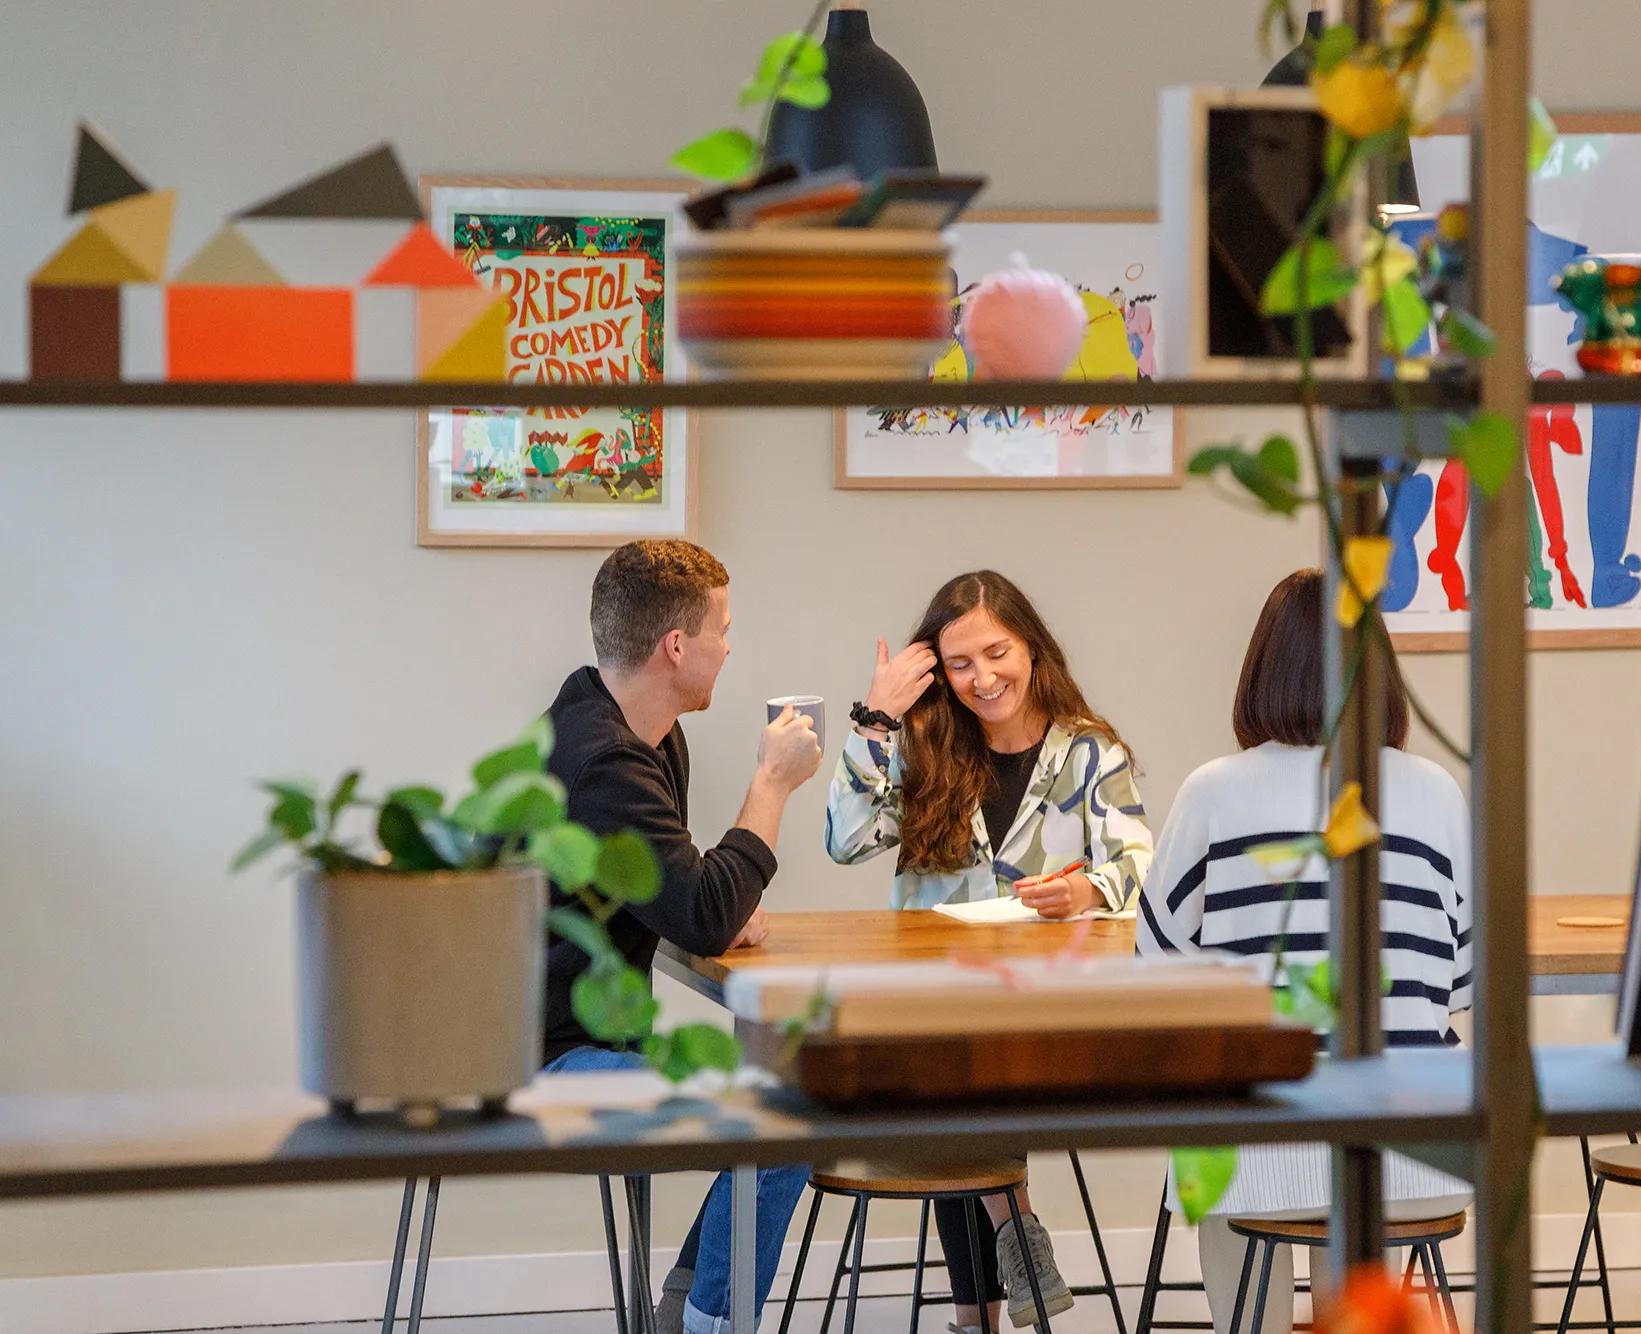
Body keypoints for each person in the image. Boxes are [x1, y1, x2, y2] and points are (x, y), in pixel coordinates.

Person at [1134, 568, 1473, 1334]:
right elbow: (1457, 980)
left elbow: (1157, 960)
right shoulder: (1436, 793)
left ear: (1263, 672)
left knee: (1233, 1142)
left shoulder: (1213, 792)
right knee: (1351, 1152)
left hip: (1258, 1153)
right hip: (1418, 1156)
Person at [827, 569, 1154, 1329]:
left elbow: (1139, 867)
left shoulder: (1089, 756)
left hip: (1047, 1010)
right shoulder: (923, 746)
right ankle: (1013, 1241)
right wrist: (874, 719)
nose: (982, 679)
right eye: (960, 665)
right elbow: (844, 842)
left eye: (996, 653)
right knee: (954, 1051)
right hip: (935, 1008)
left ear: (1032, 648)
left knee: (966, 1063)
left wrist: (1085, 892)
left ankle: (977, 1309)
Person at [541, 539, 822, 1334]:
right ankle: (708, 1322)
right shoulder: (603, 759)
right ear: (675, 646)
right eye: (721, 628)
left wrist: (718, 901)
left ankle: (688, 1312)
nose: (729, 646)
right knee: (786, 1113)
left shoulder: (642, 733)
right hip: (547, 1059)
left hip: (583, 1036)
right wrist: (771, 785)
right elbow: (700, 913)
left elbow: (685, 894)